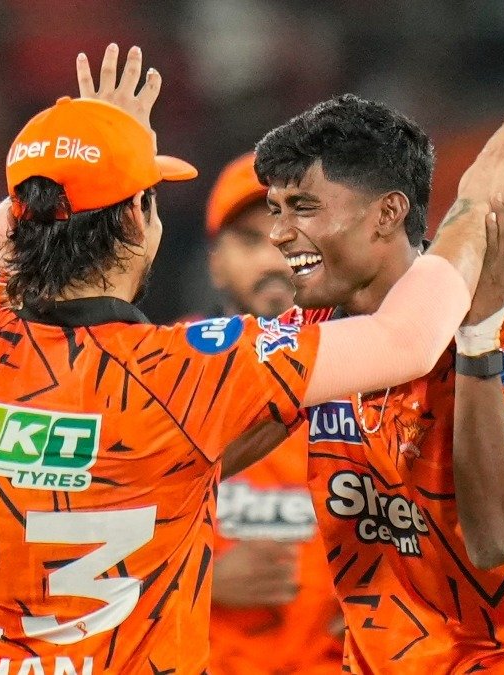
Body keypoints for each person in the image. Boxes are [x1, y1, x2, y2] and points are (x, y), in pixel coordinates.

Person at [0, 43, 504, 674]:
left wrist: (84, 150)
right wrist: (471, 211)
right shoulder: (184, 373)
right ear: (138, 218)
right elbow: (407, 340)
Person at [248, 94, 504, 672]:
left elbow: (494, 540)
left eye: (303, 207)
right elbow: (201, 450)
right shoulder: (309, 335)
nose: (279, 233)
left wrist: (477, 341)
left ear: (387, 214)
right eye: (276, 210)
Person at [202, 153, 343, 674]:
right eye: (249, 241)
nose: (273, 260)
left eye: (291, 236)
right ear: (215, 263)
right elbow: (85, 539)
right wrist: (202, 580)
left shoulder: (375, 370)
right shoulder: (161, 372)